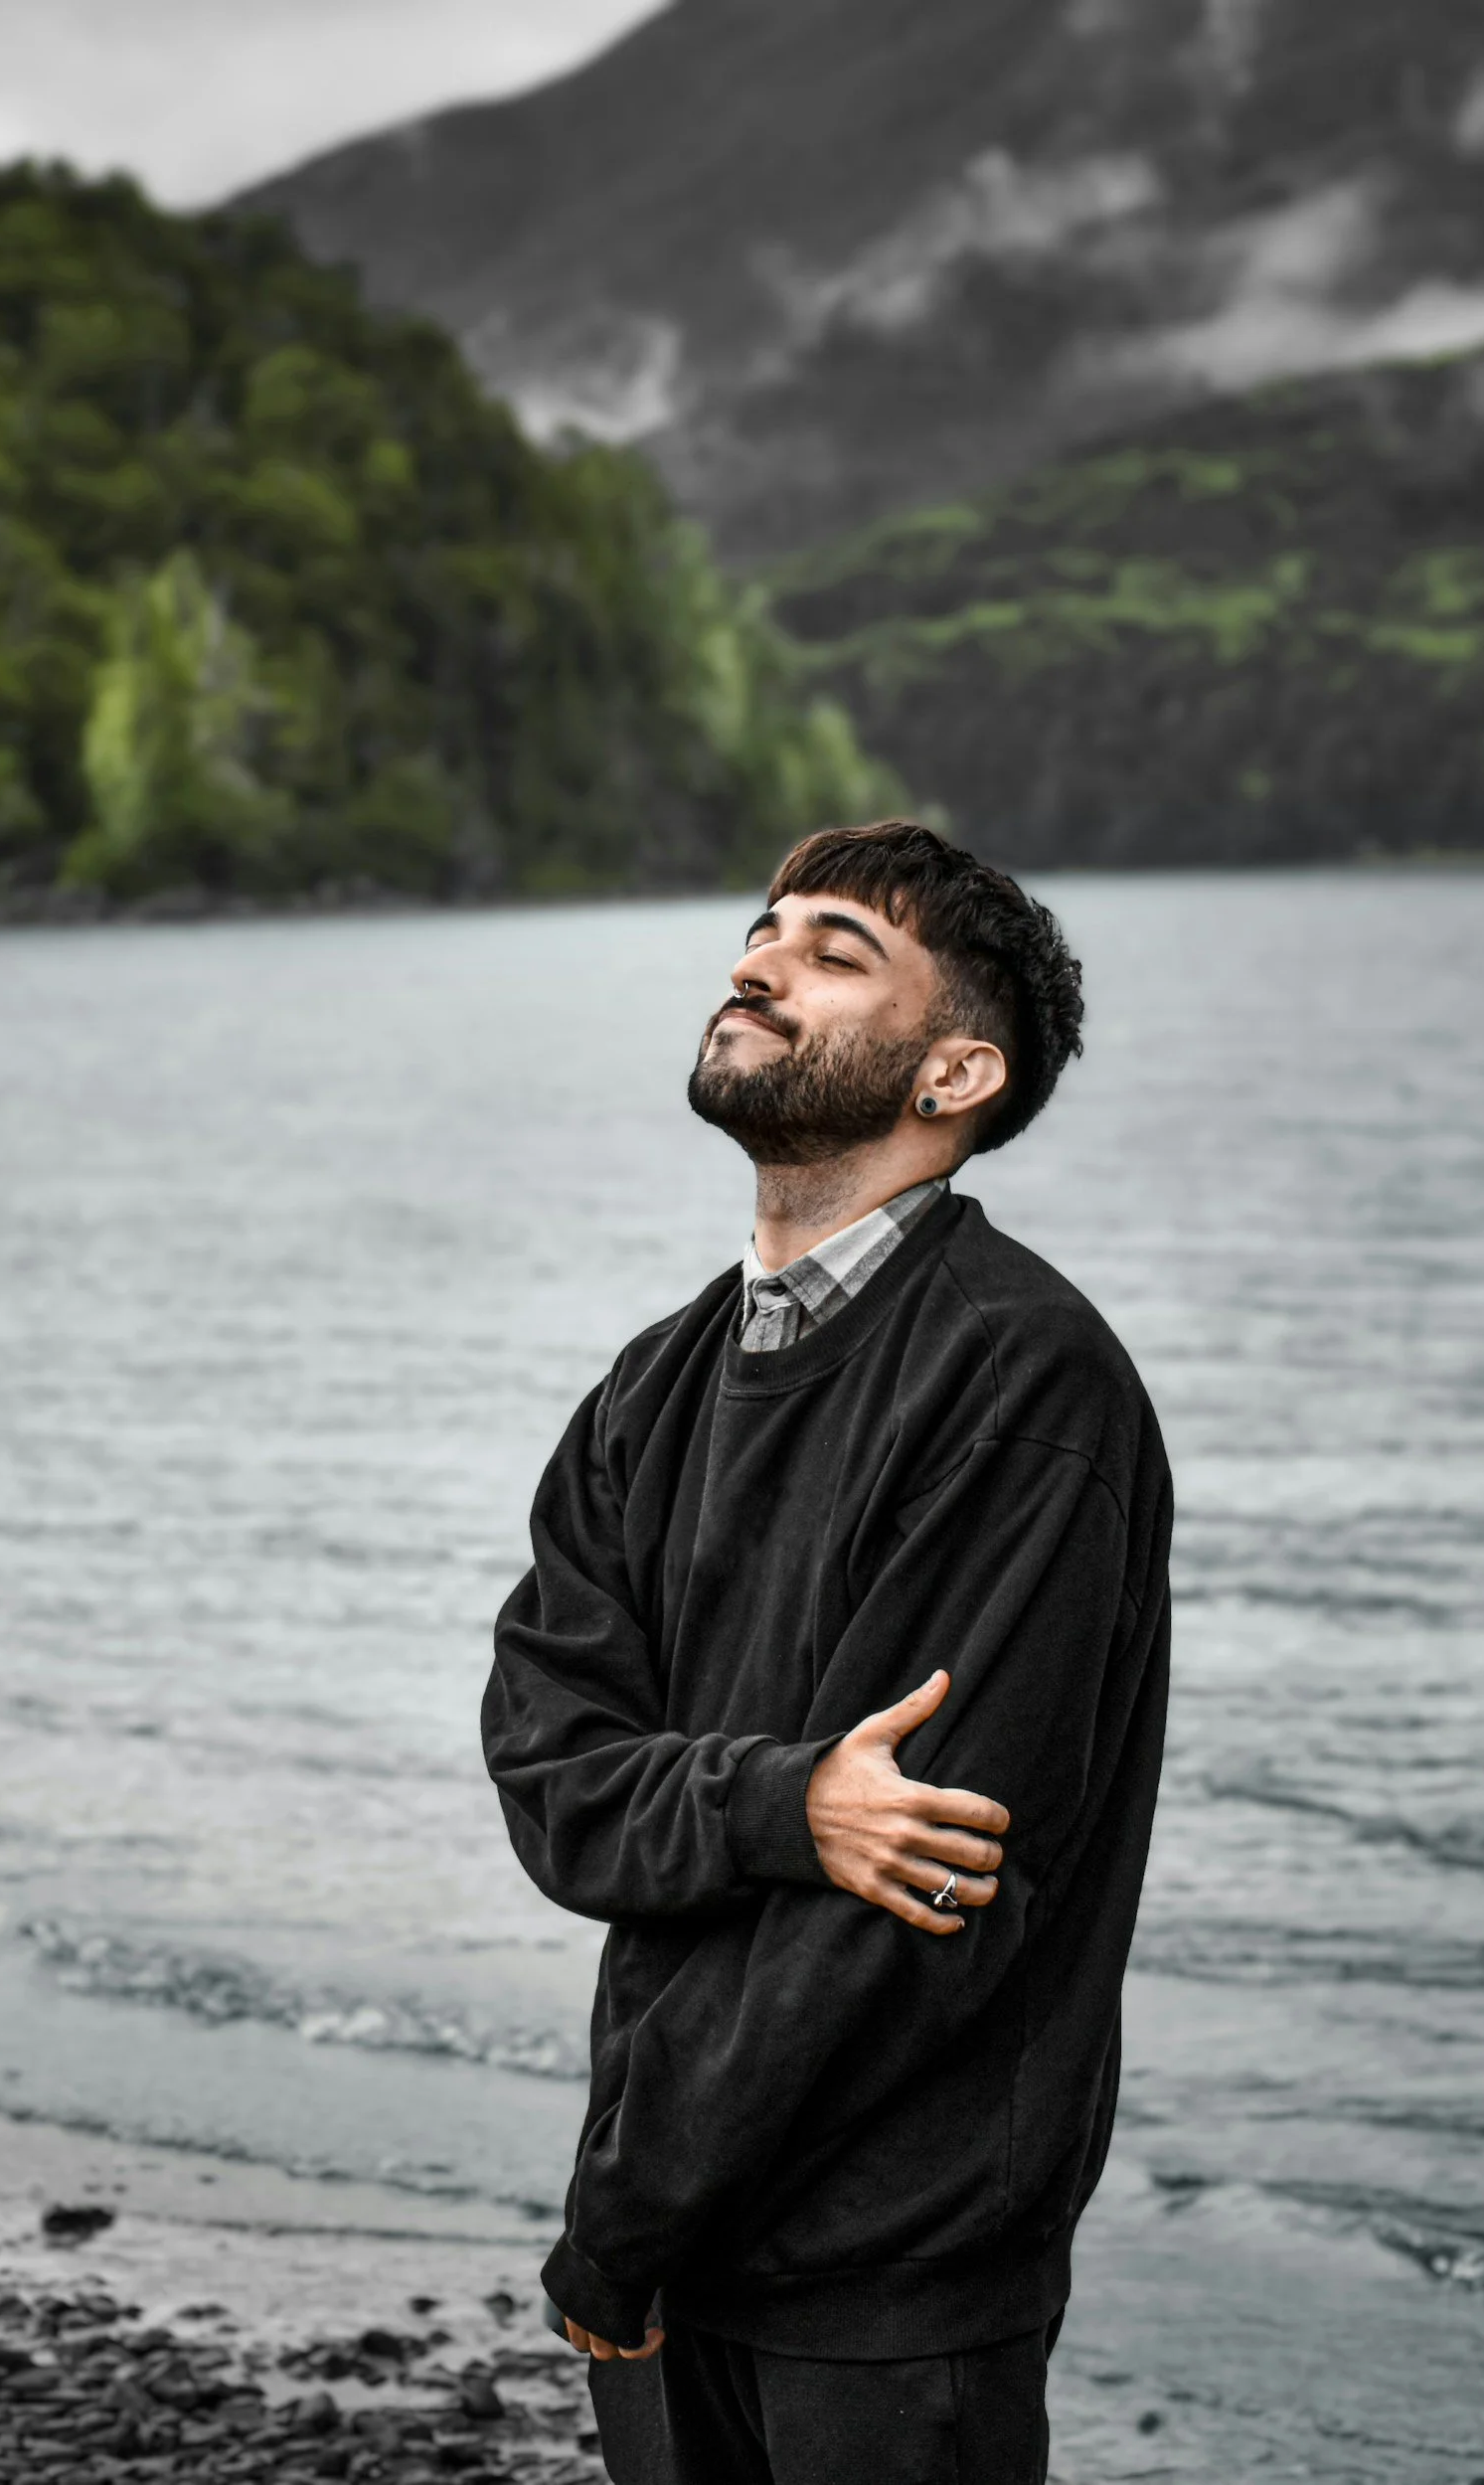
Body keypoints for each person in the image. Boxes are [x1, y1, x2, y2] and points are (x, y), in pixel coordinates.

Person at [481, 819, 1172, 2485]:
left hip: (894, 2272)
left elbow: (920, 1889)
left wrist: (628, 2217)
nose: (755, 962)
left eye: (832, 951)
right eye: (762, 930)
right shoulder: (649, 1391)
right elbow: (553, 1781)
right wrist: (789, 1804)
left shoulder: (1022, 1386)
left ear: (956, 1072)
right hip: (668, 2224)